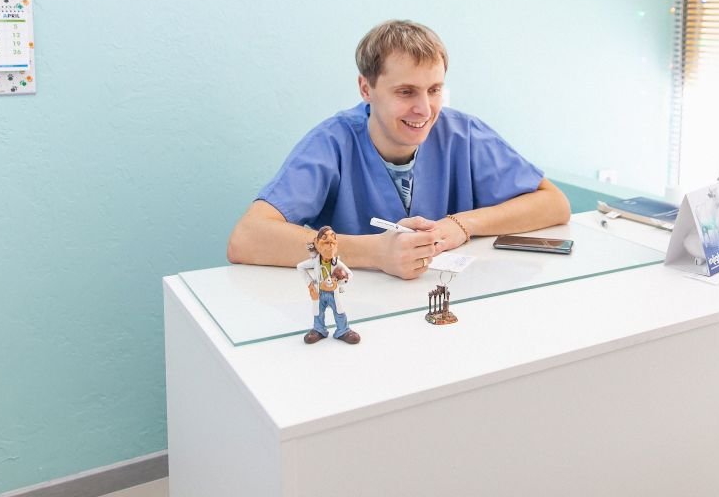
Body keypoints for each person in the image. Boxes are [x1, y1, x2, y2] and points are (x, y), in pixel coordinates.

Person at [227, 19, 571, 279]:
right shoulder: (332, 142)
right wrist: (374, 252)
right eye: (406, 92)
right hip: (360, 312)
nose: (424, 109)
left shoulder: (462, 134)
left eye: (434, 90)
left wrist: (461, 224)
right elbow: (246, 239)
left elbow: (554, 203)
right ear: (366, 89)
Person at [297, 227, 360, 344]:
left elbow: (350, 274)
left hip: (333, 293)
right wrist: (310, 284)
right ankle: (318, 330)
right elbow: (300, 267)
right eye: (325, 241)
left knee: (339, 311)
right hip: (319, 292)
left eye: (332, 241)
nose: (330, 244)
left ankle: (343, 330)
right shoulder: (314, 262)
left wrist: (339, 280)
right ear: (317, 243)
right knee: (318, 312)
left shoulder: (337, 263)